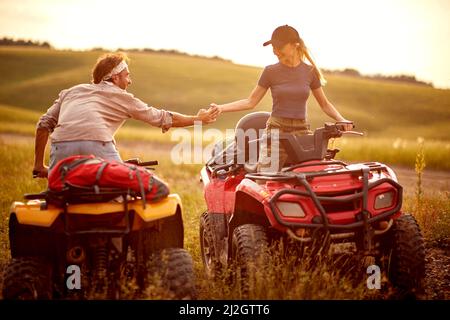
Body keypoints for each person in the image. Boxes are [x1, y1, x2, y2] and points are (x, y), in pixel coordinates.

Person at [33, 52, 219, 178]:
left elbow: (44, 124)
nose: (130, 81)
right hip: (97, 145)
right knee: (122, 192)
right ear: (115, 78)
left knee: (58, 197)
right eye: (127, 75)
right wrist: (198, 119)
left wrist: (39, 166)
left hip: (60, 147)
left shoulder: (72, 91)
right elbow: (162, 117)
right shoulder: (122, 97)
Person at [210, 25, 353, 172]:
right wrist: (221, 108)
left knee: (311, 177)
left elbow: (324, 104)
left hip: (301, 132)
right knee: (265, 179)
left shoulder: (310, 72)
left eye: (279, 46)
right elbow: (250, 101)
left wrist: (341, 119)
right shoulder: (270, 71)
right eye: (273, 47)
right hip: (276, 132)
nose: (275, 51)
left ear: (295, 45)